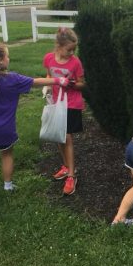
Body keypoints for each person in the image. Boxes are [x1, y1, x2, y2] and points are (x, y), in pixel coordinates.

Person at [0, 41, 70, 211]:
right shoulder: (13, 79)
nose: (9, 58)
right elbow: (35, 82)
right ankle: (8, 186)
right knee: (7, 154)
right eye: (7, 56)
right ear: (0, 61)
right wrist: (57, 80)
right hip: (7, 130)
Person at [43, 27, 85, 195]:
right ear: (58, 46)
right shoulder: (48, 59)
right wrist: (47, 85)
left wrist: (72, 83)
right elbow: (48, 75)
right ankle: (66, 166)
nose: (72, 53)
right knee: (58, 136)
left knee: (67, 137)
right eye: (69, 49)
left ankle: (72, 175)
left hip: (71, 104)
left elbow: (82, 83)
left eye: (74, 49)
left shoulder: (75, 62)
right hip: (56, 103)